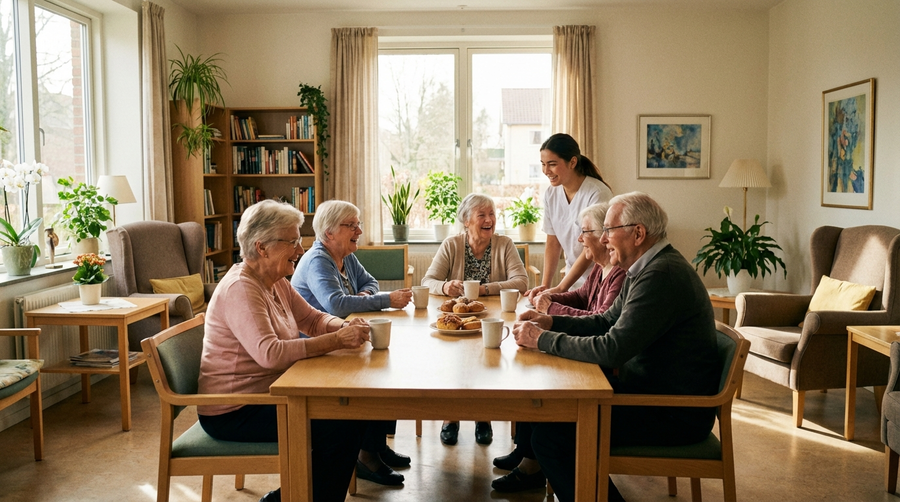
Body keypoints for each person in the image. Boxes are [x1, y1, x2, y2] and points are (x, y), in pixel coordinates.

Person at [512, 192, 720, 502]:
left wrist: (541, 340)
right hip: (647, 393)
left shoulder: (661, 275)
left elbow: (612, 348)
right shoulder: (647, 268)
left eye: (610, 230)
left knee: (551, 438)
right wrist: (550, 323)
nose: (604, 239)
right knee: (552, 408)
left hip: (671, 413)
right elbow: (605, 321)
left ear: (638, 234)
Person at [197, 199, 372, 502]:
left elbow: (312, 318)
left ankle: (289, 497)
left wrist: (340, 326)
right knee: (341, 430)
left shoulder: (275, 280)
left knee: (347, 416)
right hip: (234, 409)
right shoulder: (241, 288)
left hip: (271, 393)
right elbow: (271, 353)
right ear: (261, 246)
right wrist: (337, 340)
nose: (301, 250)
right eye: (291, 241)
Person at [490, 202, 625, 493]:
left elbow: (600, 321)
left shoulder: (619, 274)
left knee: (539, 382)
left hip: (602, 369)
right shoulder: (600, 270)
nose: (579, 239)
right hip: (596, 356)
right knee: (531, 375)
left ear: (604, 235)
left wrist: (552, 312)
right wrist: (552, 299)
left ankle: (532, 462)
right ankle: (527, 456)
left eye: (584, 232)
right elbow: (582, 297)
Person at [291, 200, 412, 486]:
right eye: (352, 225)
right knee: (374, 373)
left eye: (358, 223)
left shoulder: (345, 255)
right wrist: (381, 300)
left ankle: (376, 447)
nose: (359, 229)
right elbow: (336, 305)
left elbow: (370, 282)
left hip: (339, 339)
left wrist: (362, 297)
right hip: (317, 348)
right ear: (329, 232)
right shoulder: (318, 259)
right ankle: (366, 457)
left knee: (384, 366)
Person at [422, 193, 528, 446]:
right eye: (482, 215)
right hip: (454, 319)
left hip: (492, 316)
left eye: (492, 214)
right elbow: (428, 281)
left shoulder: (504, 244)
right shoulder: (451, 244)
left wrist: (484, 289)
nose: (489, 219)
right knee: (453, 362)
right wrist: (446, 287)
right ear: (466, 221)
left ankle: (484, 417)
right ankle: (450, 418)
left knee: (488, 362)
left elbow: (522, 282)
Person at [527, 133, 613, 302]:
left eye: (552, 164)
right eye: (543, 164)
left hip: (598, 281)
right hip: (572, 282)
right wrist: (545, 286)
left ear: (572, 162)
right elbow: (553, 242)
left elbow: (593, 246)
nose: (546, 171)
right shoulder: (551, 194)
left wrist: (561, 288)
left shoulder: (597, 193)